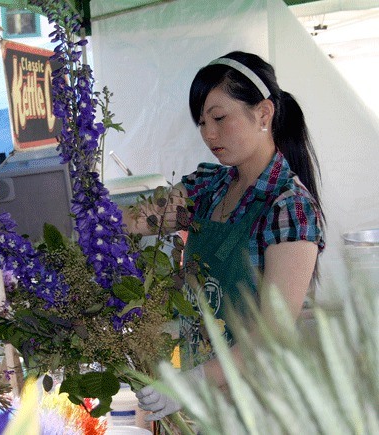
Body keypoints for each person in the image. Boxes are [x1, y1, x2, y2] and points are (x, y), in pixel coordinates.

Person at [125, 51, 326, 421]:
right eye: (201, 123)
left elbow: (270, 336)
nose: (208, 134)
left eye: (219, 118)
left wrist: (193, 382)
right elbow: (138, 220)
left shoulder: (289, 208)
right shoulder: (209, 188)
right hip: (203, 405)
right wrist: (88, 222)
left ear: (263, 113)